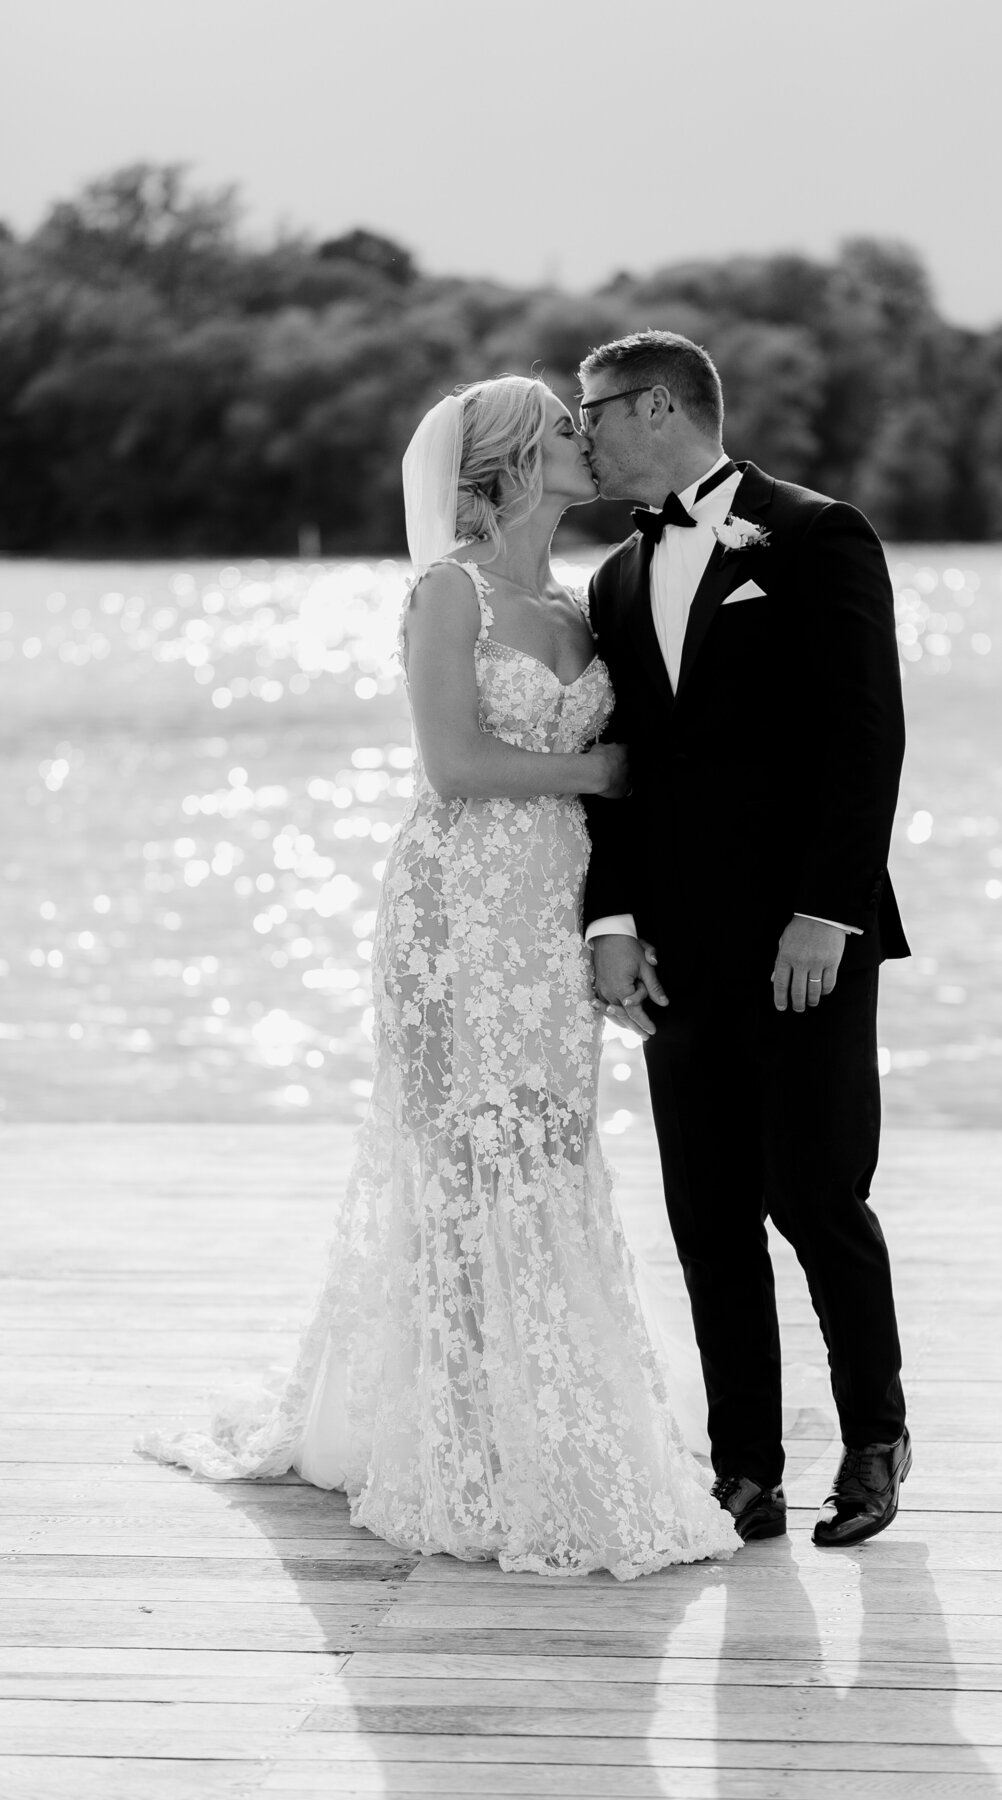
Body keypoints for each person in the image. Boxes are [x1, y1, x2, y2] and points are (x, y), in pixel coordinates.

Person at [140, 375, 741, 1582]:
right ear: (514, 461)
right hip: (457, 910)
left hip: (552, 911)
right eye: (566, 431)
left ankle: (547, 1407)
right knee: (460, 1158)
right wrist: (606, 771)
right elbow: (457, 764)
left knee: (551, 1143)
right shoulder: (448, 591)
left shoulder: (578, 602)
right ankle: (462, 1431)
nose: (589, 438)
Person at [580, 331, 912, 1548]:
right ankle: (746, 1471)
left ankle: (874, 1441)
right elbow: (617, 781)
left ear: (659, 406)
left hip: (805, 940)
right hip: (675, 950)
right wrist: (610, 922)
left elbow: (865, 738)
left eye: (597, 413)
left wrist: (828, 910)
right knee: (707, 1212)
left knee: (818, 1196)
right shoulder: (616, 578)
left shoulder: (818, 534)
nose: (585, 435)